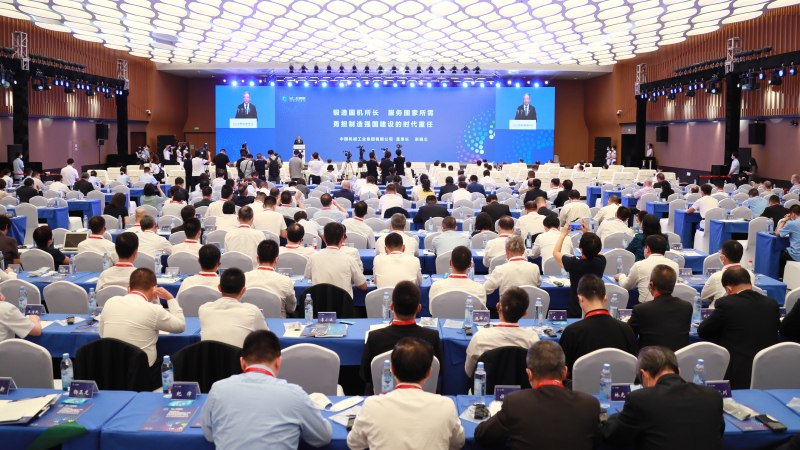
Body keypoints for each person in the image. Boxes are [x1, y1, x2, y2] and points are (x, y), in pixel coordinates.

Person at [201, 330, 332, 449]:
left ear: (242, 362)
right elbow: (323, 437)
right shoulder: (295, 395)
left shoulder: (217, 390)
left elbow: (210, 435)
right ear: (278, 362)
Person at [475, 340, 601, 449]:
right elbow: (597, 443)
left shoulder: (515, 403)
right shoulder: (590, 405)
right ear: (565, 372)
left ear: (529, 374)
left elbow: (483, 436)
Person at [602, 346, 725, 450]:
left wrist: (613, 417)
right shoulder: (713, 396)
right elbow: (719, 431)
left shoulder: (640, 399)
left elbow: (612, 437)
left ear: (644, 375)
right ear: (678, 372)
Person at [350, 336, 463, 449]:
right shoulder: (446, 406)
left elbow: (354, 444)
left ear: (392, 369)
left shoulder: (371, 406)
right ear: (429, 373)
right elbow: (458, 443)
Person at [697, 267, 780, 389]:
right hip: (768, 368)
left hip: (737, 371)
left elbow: (703, 331)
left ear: (728, 288)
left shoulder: (726, 303)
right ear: (750, 284)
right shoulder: (772, 303)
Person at [100, 268, 186, 367]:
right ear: (154, 289)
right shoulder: (153, 310)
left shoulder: (110, 302)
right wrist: (170, 298)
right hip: (141, 370)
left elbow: (102, 334)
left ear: (128, 288)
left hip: (110, 367)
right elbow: (180, 326)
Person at [559, 274, 637, 376]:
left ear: (580, 299)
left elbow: (563, 372)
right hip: (619, 385)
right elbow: (634, 367)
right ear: (606, 297)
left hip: (581, 385)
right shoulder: (626, 330)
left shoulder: (572, 332)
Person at [465, 285, 540, 376]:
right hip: (523, 385)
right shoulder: (532, 340)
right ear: (525, 313)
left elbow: (470, 372)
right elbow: (536, 373)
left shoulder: (479, 338)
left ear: (498, 307)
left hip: (487, 384)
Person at [628, 264, 693, 350]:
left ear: (651, 284)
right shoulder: (687, 307)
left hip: (652, 358)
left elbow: (628, 336)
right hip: (679, 358)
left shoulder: (641, 310)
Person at [553, 224, 606, 318]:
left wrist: (563, 234)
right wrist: (586, 234)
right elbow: (596, 249)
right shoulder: (601, 262)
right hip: (595, 313)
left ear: (580, 249)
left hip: (575, 313)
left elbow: (556, 252)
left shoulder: (573, 264)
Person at [304, 223, 367, 298]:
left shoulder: (313, 258)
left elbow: (307, 278)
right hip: (343, 304)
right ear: (342, 239)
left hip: (319, 303)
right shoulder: (349, 260)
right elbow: (363, 286)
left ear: (323, 238)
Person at [616, 235, 679, 303]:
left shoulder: (639, 265)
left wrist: (621, 276)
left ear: (648, 248)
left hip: (645, 306)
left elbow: (626, 285)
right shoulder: (675, 265)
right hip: (668, 305)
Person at [244, 240, 297, 318]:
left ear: (257, 259)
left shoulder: (244, 277)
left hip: (249, 321)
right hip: (278, 324)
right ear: (276, 260)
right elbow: (291, 309)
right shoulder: (285, 281)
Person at [700, 240, 755, 306]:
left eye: (720, 252)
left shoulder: (716, 277)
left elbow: (704, 297)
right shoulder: (751, 275)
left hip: (719, 310)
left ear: (723, 257)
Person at [777, 204, 800, 280]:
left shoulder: (791, 224)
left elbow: (778, 233)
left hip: (796, 254)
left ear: (793, 213)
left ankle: (782, 278)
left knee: (778, 255)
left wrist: (784, 220)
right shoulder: (793, 223)